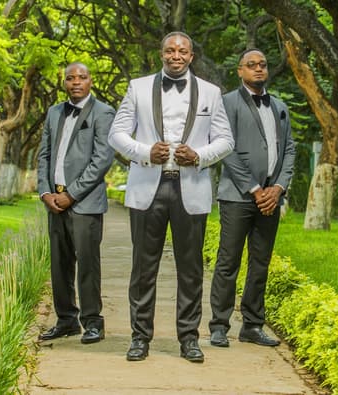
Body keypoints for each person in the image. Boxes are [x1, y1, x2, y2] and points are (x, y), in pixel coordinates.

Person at [109, 31, 234, 363]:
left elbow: (225, 140)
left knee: (190, 269)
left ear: (191, 56)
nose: (176, 55)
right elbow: (117, 134)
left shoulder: (211, 92)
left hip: (190, 188)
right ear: (161, 54)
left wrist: (200, 156)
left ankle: (189, 338)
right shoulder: (138, 87)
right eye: (170, 50)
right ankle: (139, 338)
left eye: (182, 51)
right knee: (143, 268)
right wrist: (145, 151)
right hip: (147, 187)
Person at [208, 49, 294, 348]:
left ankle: (252, 326)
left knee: (260, 262)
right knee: (228, 261)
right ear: (240, 71)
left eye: (263, 65)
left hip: (271, 198)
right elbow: (224, 148)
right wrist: (255, 189)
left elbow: (290, 150)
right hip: (238, 197)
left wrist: (278, 188)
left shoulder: (279, 106)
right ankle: (219, 325)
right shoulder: (227, 102)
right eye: (251, 65)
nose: (258, 69)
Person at [36, 62, 115, 344]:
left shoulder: (104, 113)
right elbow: (43, 154)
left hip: (85, 203)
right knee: (60, 265)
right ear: (64, 82)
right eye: (70, 78)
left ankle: (93, 322)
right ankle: (66, 320)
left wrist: (72, 194)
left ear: (90, 81)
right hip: (53, 201)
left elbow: (102, 160)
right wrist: (45, 192)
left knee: (88, 265)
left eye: (82, 77)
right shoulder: (54, 112)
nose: (76, 82)